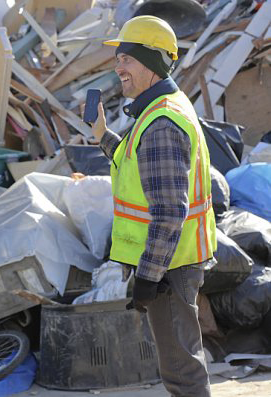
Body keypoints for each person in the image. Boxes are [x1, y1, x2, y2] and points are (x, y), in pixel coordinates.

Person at [91, 15, 217, 397]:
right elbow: (135, 164)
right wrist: (102, 136)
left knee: (182, 372)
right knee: (180, 364)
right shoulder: (159, 109)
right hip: (171, 262)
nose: (119, 67)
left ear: (150, 62)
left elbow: (167, 212)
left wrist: (148, 276)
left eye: (126, 58)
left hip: (169, 268)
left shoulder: (161, 121)